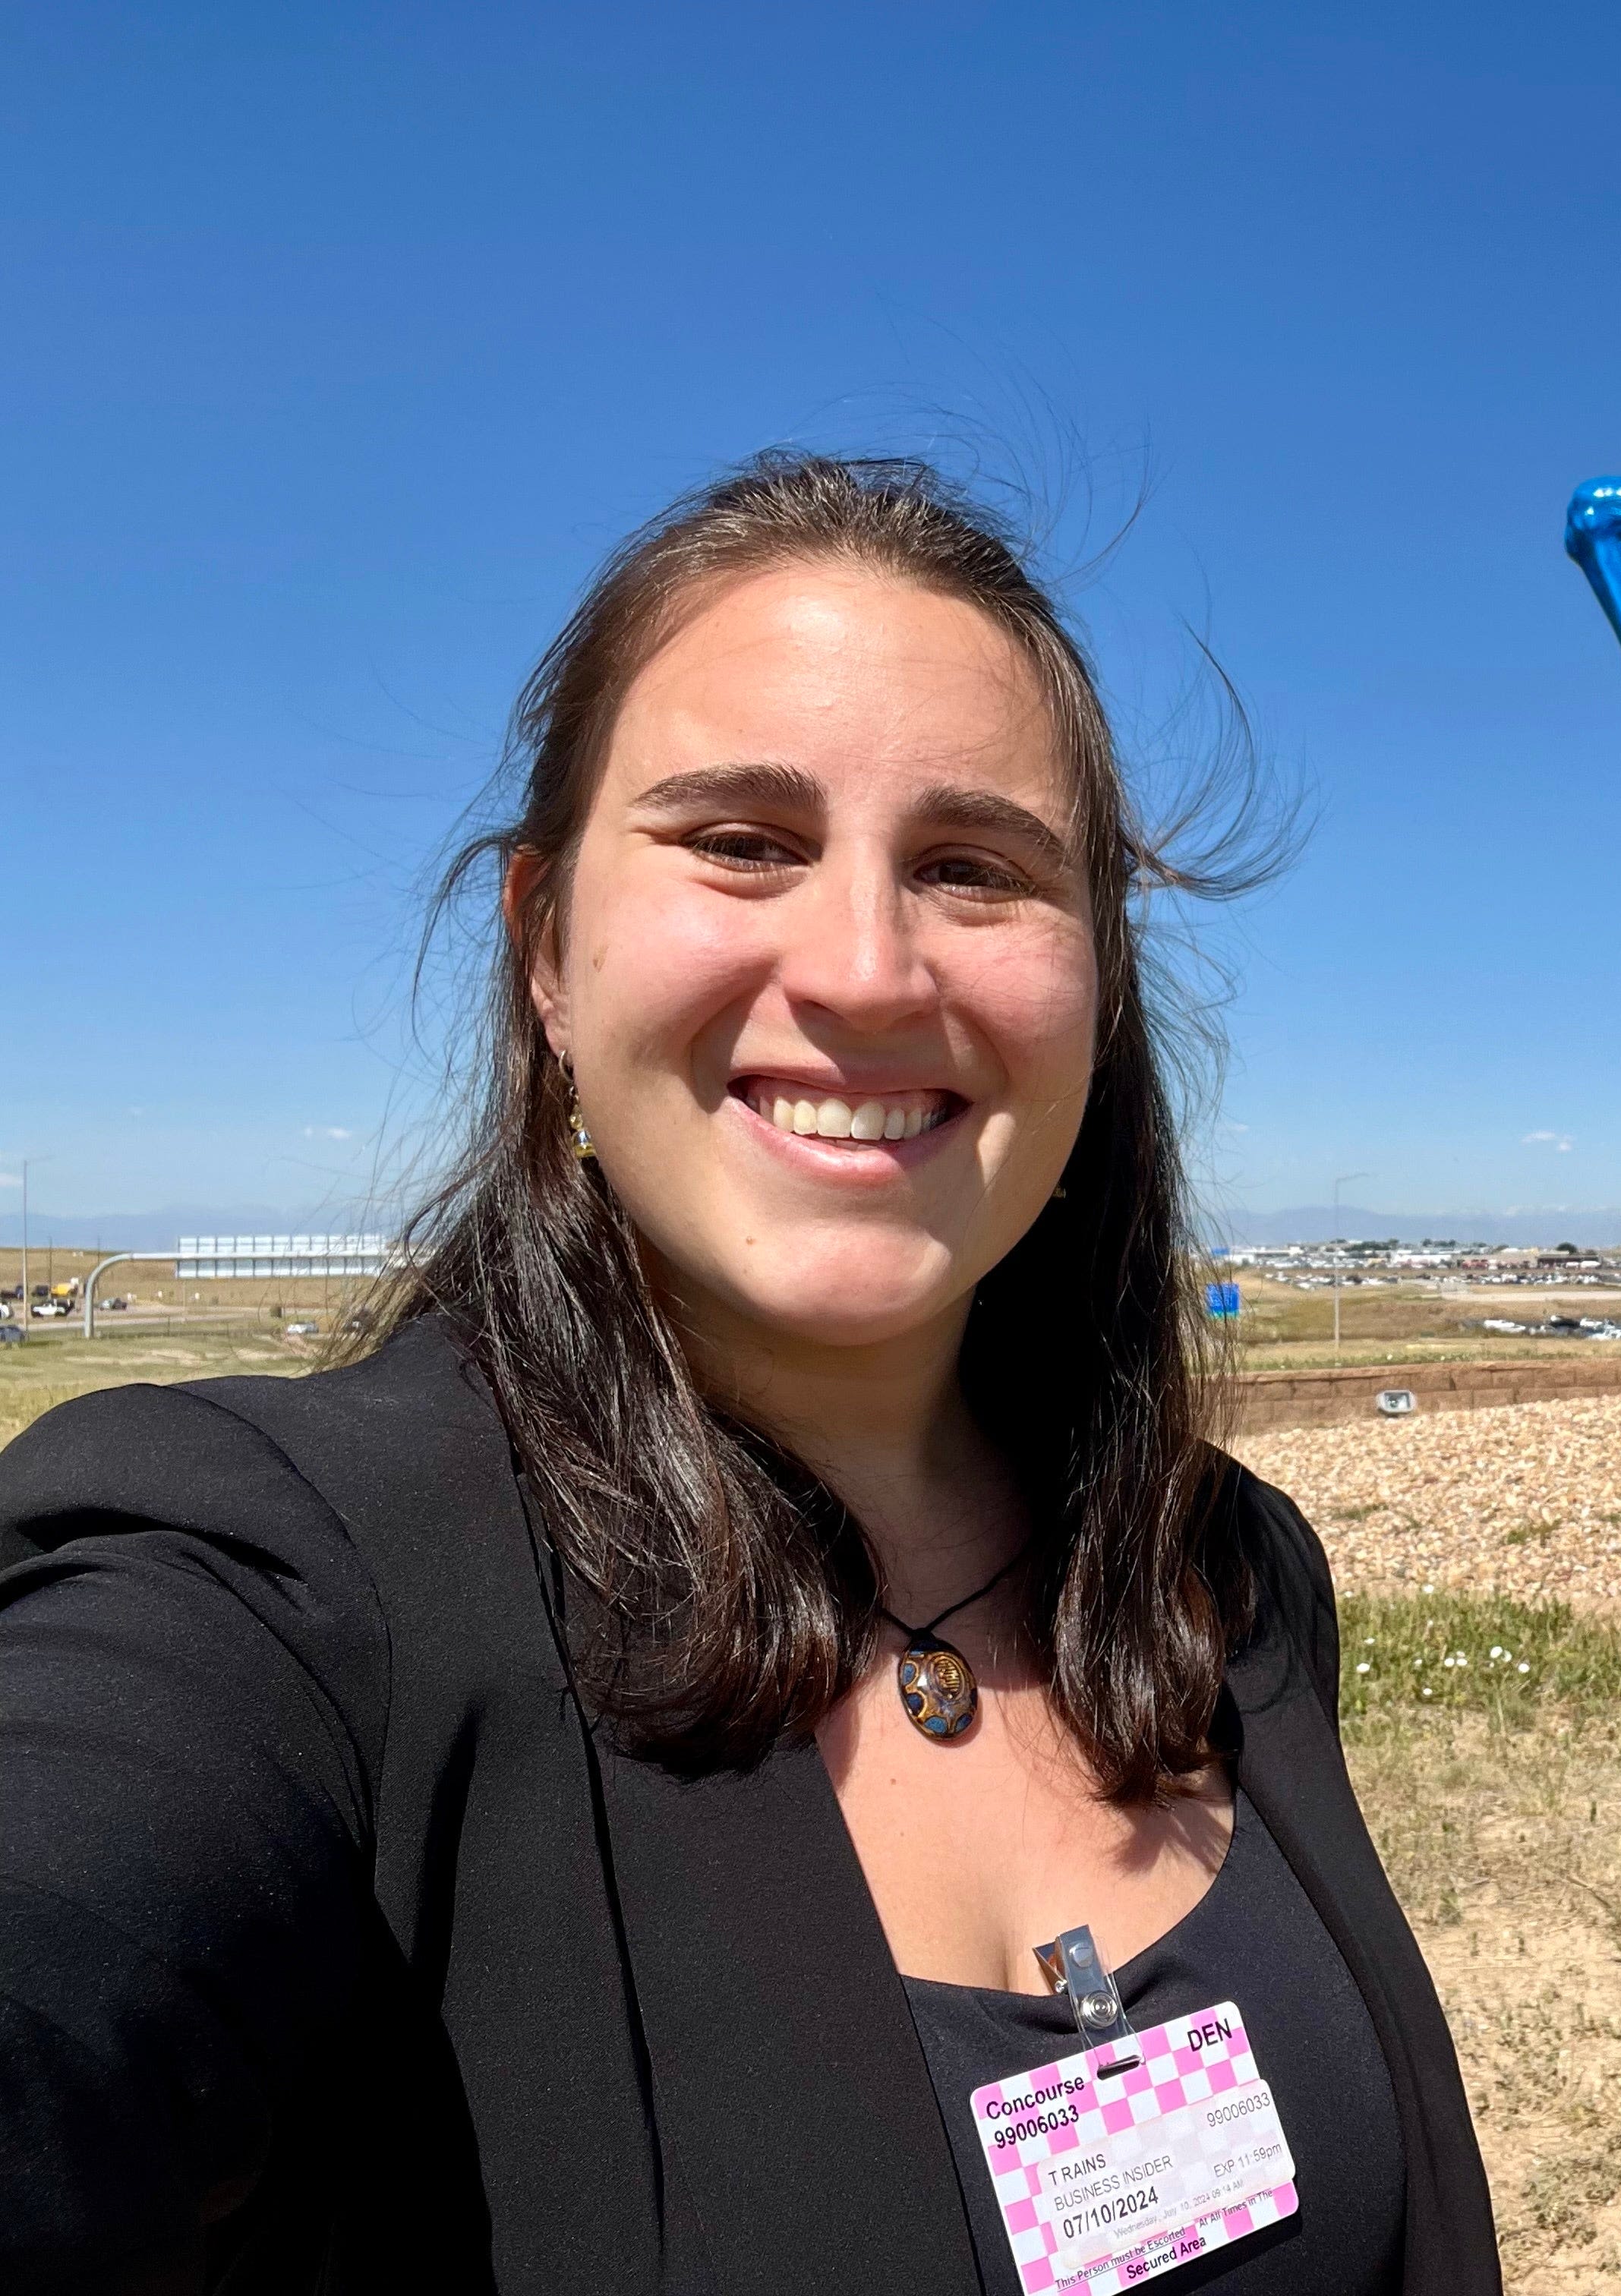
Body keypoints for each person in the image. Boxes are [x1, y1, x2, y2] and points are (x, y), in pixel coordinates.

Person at [0, 455, 1500, 2294]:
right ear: (545, 952)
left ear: (1097, 981)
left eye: (973, 867)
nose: (867, 968)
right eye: (741, 842)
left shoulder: (1223, 1579)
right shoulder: (291, 1596)